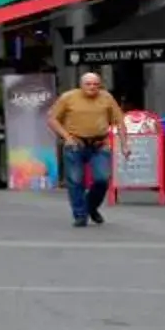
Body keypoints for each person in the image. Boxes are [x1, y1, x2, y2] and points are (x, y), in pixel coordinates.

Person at [49, 69, 129, 227]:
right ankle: (80, 214)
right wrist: (67, 137)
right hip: (76, 143)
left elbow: (119, 122)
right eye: (89, 84)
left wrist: (124, 145)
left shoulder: (106, 97)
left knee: (102, 179)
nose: (92, 87)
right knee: (75, 180)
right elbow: (52, 119)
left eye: (96, 84)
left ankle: (91, 207)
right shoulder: (68, 97)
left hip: (100, 144)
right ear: (81, 85)